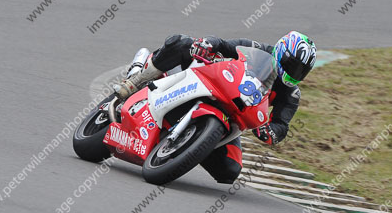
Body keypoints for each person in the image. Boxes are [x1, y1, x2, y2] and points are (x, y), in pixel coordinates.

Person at [114, 31, 317, 184]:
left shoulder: (290, 94)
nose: (294, 72)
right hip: (211, 81)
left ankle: (191, 146)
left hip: (232, 118)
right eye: (293, 65)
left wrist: (270, 131)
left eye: (301, 70)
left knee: (230, 170)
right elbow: (225, 45)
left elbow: (281, 124)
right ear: (282, 51)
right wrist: (207, 44)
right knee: (181, 43)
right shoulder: (259, 50)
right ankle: (137, 79)